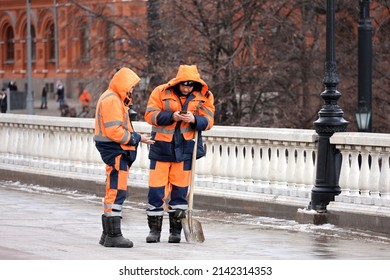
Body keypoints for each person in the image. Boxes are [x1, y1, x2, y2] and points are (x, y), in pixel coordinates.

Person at [144, 64, 215, 243]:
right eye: (183, 85)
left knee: (180, 193)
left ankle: (175, 232)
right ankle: (154, 232)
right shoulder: (160, 92)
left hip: (185, 151)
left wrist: (194, 119)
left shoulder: (204, 96)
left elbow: (209, 120)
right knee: (156, 191)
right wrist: (171, 117)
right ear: (177, 82)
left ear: (195, 84)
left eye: (190, 85)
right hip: (160, 148)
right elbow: (150, 115)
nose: (186, 88)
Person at [94, 67, 154, 248]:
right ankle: (114, 235)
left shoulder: (112, 98)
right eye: (131, 87)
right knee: (117, 191)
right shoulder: (112, 100)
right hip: (117, 150)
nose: (132, 90)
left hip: (114, 150)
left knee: (112, 189)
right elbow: (115, 131)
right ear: (123, 85)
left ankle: (107, 234)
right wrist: (137, 138)